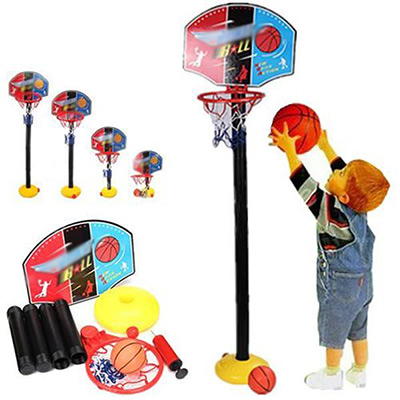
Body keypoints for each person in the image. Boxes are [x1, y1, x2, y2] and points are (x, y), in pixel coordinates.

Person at [270, 123, 390, 389]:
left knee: (334, 328)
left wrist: (290, 151)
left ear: (344, 196)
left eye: (341, 174)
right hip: (364, 285)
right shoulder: (359, 206)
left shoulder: (332, 214)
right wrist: (325, 147)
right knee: (359, 329)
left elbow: (306, 187)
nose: (336, 171)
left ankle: (332, 375)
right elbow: (345, 173)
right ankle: (359, 371)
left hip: (341, 287)